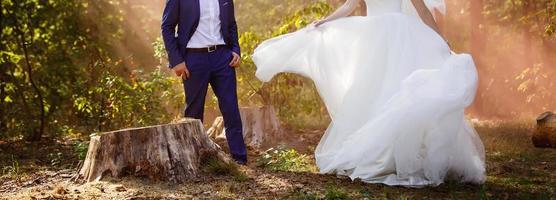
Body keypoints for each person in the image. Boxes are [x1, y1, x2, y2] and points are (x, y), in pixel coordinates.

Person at [252, 0, 486, 186]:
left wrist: (439, 38)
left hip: (400, 38)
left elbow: (423, 10)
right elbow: (349, 5)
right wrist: (324, 21)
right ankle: (383, 153)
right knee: (372, 90)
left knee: (397, 88)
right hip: (375, 39)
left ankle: (398, 153)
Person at [161, 0, 247, 165]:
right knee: (194, 112)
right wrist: (176, 60)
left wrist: (235, 49)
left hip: (223, 57)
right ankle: (192, 160)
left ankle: (239, 159)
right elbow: (167, 27)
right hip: (193, 58)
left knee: (231, 108)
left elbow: (231, 24)